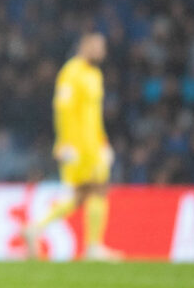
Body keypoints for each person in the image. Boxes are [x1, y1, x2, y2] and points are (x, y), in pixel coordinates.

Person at [24, 33, 122, 261]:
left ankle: (35, 228)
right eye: (97, 46)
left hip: (94, 144)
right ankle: (93, 246)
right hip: (78, 146)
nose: (102, 51)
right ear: (85, 46)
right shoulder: (71, 72)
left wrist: (103, 141)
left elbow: (94, 115)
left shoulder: (95, 74)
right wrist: (64, 143)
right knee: (97, 189)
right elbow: (63, 109)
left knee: (81, 195)